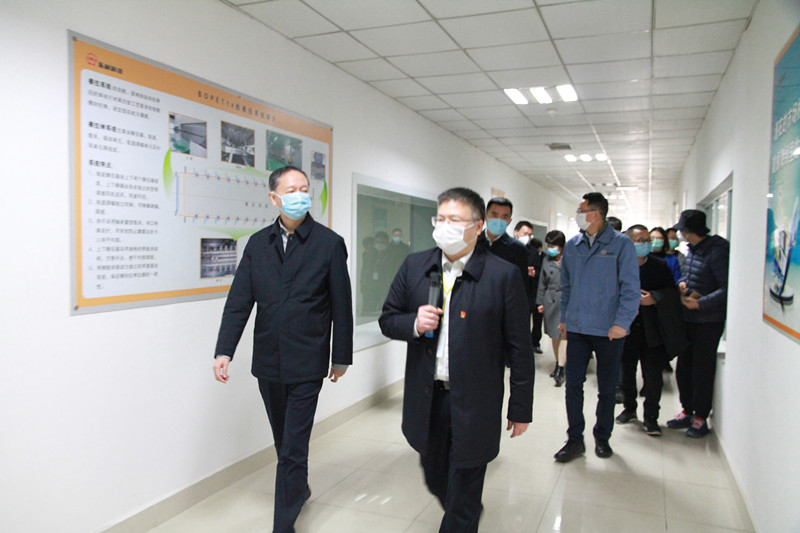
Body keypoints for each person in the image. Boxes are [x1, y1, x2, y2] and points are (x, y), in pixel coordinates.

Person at [379, 187, 534, 532]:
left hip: (475, 401)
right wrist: (414, 323)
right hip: (428, 396)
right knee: (435, 474)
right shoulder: (415, 266)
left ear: (478, 226)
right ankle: (464, 508)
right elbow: (388, 319)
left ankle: (463, 514)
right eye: (441, 219)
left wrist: (521, 406)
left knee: (465, 480)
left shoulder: (502, 275)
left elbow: (520, 348)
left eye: (455, 220)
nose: (445, 226)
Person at [212, 165, 353, 533]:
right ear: (274, 198)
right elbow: (239, 302)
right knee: (283, 439)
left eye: (304, 188)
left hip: (308, 361)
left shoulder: (329, 244)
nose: (300, 195)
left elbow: (342, 305)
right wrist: (224, 351)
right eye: (291, 190)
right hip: (269, 361)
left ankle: (283, 525)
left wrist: (341, 357)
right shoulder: (258, 244)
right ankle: (299, 488)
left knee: (293, 447)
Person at [554, 192, 640, 462]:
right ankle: (574, 439)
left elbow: (631, 289)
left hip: (609, 331)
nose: (578, 215)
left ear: (596, 214)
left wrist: (622, 323)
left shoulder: (621, 245)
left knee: (607, 388)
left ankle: (602, 436)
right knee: (573, 386)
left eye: (582, 211)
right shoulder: (573, 245)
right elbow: (567, 286)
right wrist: (565, 318)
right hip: (578, 328)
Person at [666, 210, 729, 438]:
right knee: (684, 368)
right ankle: (687, 411)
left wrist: (700, 304)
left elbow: (726, 288)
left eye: (682, 230)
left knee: (702, 370)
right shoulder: (693, 250)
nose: (680, 234)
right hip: (689, 320)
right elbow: (696, 277)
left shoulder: (716, 252)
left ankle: (701, 417)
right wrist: (684, 283)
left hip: (708, 321)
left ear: (690, 231)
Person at [615, 225, 682, 436]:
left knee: (653, 377)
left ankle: (651, 417)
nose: (645, 244)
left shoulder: (659, 266)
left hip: (653, 329)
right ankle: (629, 409)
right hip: (626, 329)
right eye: (639, 240)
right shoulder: (618, 265)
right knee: (627, 373)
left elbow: (672, 294)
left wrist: (654, 298)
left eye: (647, 240)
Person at [537, 230, 567, 386]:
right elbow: (542, 283)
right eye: (548, 245)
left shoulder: (570, 258)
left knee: (564, 334)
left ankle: (561, 368)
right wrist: (540, 302)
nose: (550, 249)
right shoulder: (546, 260)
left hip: (566, 299)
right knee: (555, 335)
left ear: (561, 246)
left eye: (553, 246)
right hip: (551, 300)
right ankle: (558, 363)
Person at [478, 197, 529, 286]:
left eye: (504, 217)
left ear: (509, 221)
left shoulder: (518, 249)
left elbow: (521, 285)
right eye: (494, 215)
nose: (499, 220)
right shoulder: (472, 243)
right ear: (485, 216)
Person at [514, 221, 544, 354]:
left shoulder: (532, 251)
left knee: (526, 323)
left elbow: (538, 271)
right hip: (510, 291)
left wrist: (533, 272)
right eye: (524, 233)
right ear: (516, 232)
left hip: (528, 292)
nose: (527, 237)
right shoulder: (508, 248)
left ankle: (528, 346)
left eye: (529, 234)